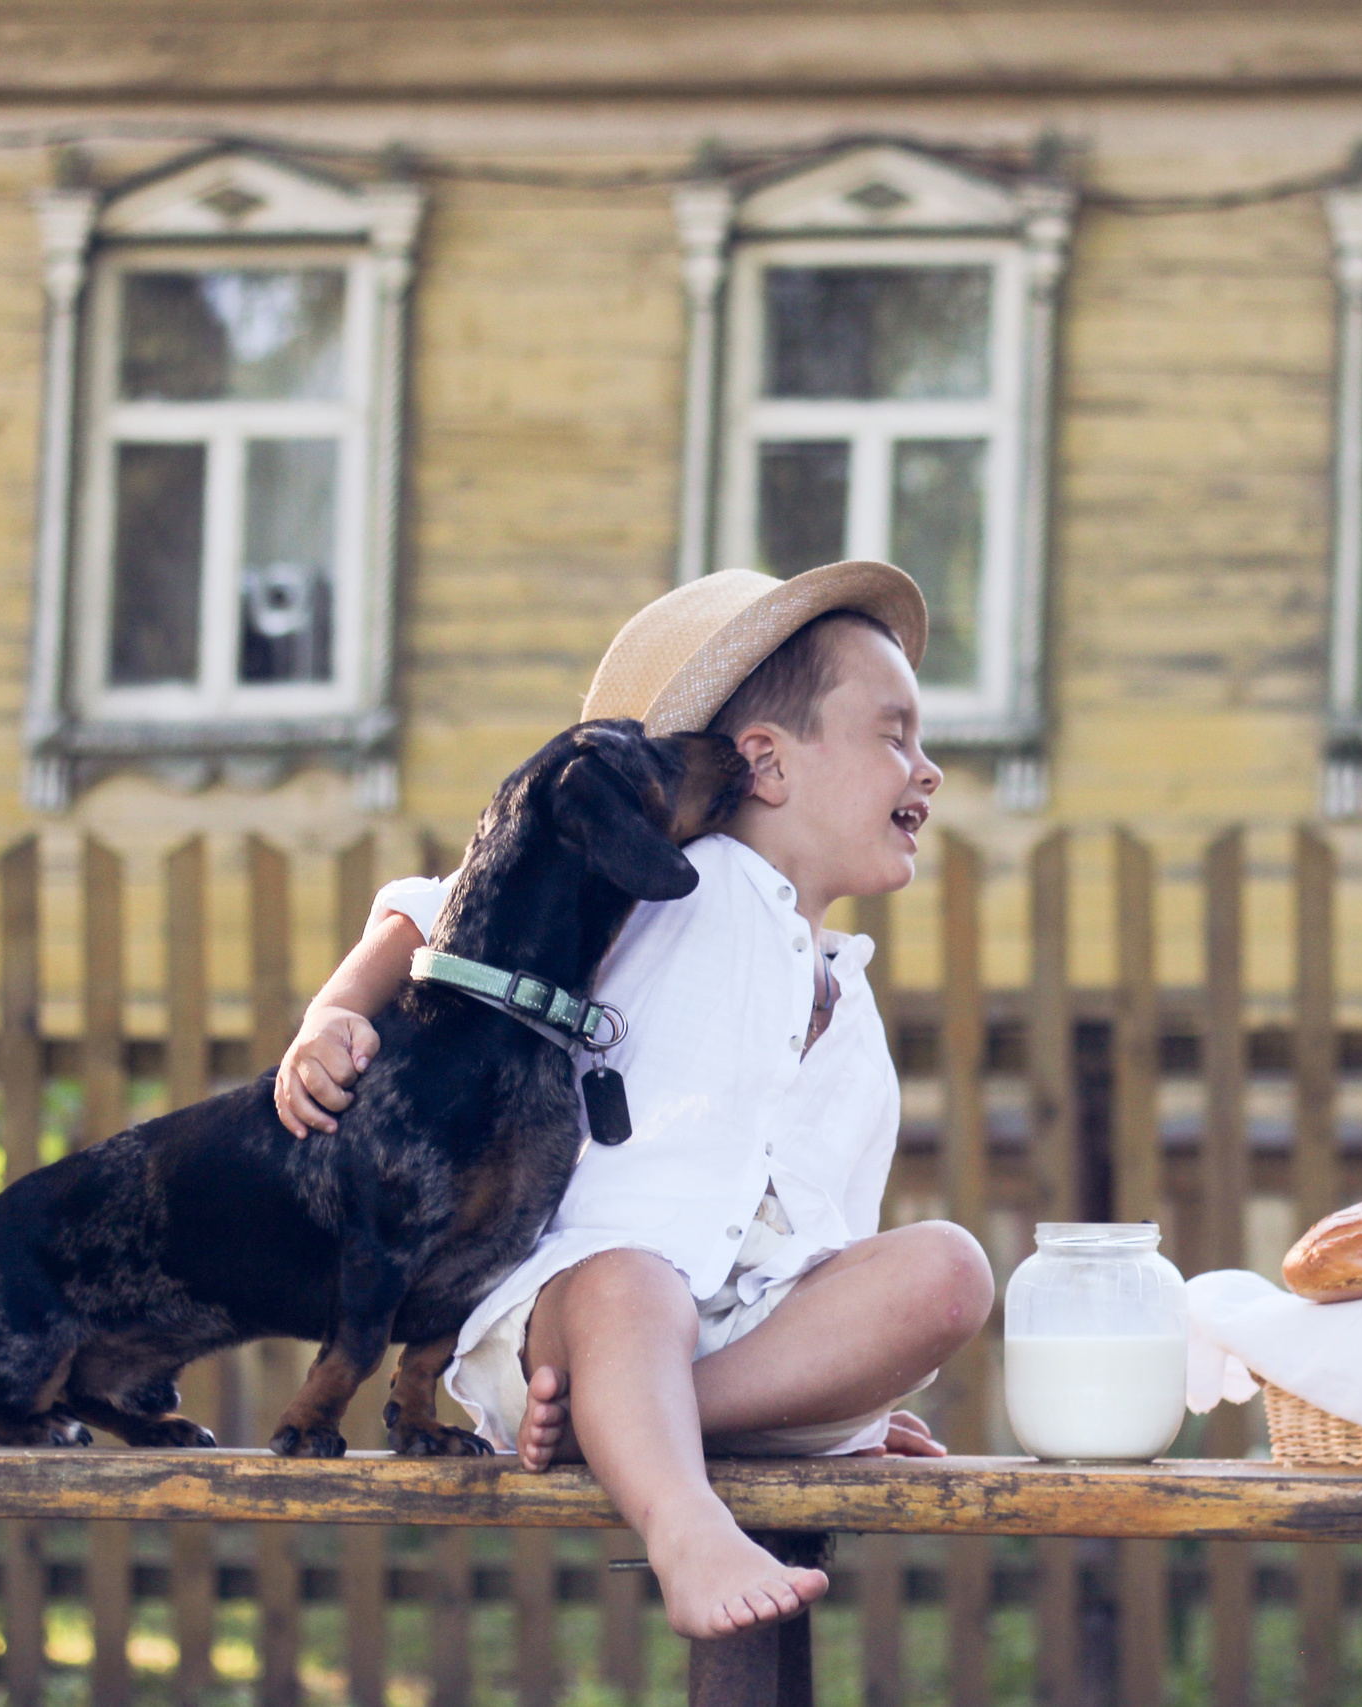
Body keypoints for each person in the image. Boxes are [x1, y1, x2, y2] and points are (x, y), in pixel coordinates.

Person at [272, 562, 993, 1641]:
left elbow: (830, 1241)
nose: (926, 770)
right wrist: (333, 1015)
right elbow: (437, 912)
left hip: (742, 1359)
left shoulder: (853, 1013)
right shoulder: (654, 890)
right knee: (630, 1281)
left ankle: (648, 1429)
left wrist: (839, 1395)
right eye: (894, 735)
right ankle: (678, 1516)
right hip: (569, 1325)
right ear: (767, 763)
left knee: (947, 1269)